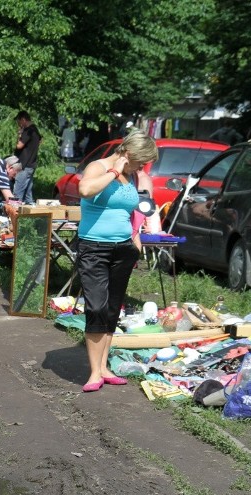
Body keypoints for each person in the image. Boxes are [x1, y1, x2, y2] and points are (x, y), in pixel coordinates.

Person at [75, 130, 158, 393]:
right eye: (140, 162)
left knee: (112, 309)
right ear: (128, 153)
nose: (141, 168)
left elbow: (130, 208)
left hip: (123, 249)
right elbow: (85, 190)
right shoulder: (98, 167)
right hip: (94, 247)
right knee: (96, 306)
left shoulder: (133, 176)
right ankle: (93, 372)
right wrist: (113, 172)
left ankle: (103, 368)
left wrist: (135, 236)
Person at [13, 110, 42, 205]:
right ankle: (31, 211)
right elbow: (40, 141)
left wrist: (20, 134)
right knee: (28, 194)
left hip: (24, 165)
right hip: (31, 164)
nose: (19, 124)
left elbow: (19, 146)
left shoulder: (28, 131)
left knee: (18, 192)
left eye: (19, 122)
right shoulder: (35, 130)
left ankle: (15, 213)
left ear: (23, 120)